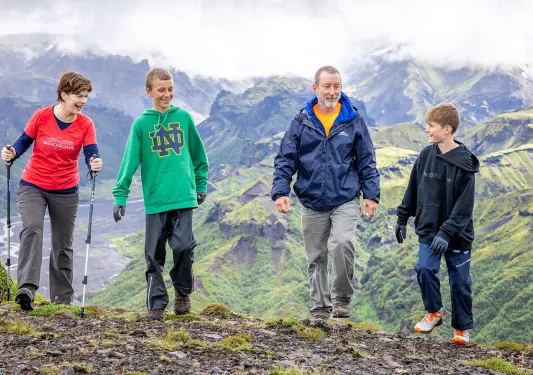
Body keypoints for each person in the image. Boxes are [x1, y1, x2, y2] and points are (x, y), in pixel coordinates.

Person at [271, 66, 380, 328]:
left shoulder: (353, 120)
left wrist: (371, 195)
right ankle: (320, 308)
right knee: (316, 256)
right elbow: (286, 158)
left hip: (345, 196)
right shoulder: (301, 122)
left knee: (342, 242)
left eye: (336, 87)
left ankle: (342, 297)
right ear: (315, 88)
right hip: (311, 199)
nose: (332, 92)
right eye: (327, 86)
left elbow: (366, 159)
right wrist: (281, 191)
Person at [112, 68, 208, 321]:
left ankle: (183, 292)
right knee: (154, 254)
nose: (167, 94)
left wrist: (200, 184)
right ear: (149, 92)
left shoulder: (184, 118)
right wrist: (120, 195)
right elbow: (129, 162)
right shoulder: (142, 124)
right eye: (161, 90)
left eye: (170, 89)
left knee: (184, 246)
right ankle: (156, 303)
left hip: (183, 195)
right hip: (156, 199)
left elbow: (199, 155)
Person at [1, 72, 103, 310]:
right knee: (32, 229)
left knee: (62, 244)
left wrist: (94, 162)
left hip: (66, 191)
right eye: (79, 96)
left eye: (86, 96)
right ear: (64, 95)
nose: (83, 101)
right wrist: (12, 153)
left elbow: (91, 153)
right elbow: (22, 142)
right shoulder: (42, 116)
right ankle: (27, 287)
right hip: (32, 185)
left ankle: (62, 299)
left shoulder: (85, 124)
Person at [395, 103, 479, 345]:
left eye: (431, 126)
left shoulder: (465, 165)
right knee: (424, 268)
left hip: (457, 235)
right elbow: (413, 189)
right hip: (429, 230)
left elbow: (464, 208)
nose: (427, 130)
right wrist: (402, 217)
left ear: (447, 129)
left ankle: (462, 329)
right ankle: (434, 312)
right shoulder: (425, 155)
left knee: (460, 282)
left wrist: (447, 232)